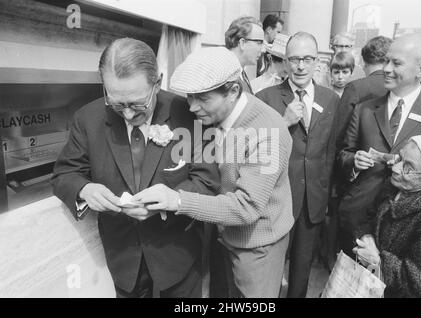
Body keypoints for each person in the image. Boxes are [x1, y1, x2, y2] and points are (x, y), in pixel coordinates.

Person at [51, 38, 220, 298]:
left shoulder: (188, 114)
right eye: (117, 104)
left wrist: (170, 201)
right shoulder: (88, 118)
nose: (128, 115)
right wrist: (85, 189)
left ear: (158, 82)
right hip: (123, 257)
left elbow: (207, 182)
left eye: (138, 105)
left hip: (178, 256)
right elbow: (64, 174)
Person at [133, 47, 294, 298]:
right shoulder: (212, 116)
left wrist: (177, 199)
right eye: (189, 96)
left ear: (233, 91)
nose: (192, 107)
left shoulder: (267, 132)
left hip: (257, 247)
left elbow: (246, 208)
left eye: (203, 99)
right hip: (223, 236)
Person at [337, 34, 421, 258]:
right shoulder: (365, 109)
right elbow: (342, 154)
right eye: (386, 60)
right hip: (357, 220)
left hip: (409, 229)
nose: (386, 69)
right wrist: (354, 162)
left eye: (396, 63)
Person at [256, 32, 340, 298]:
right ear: (285, 61)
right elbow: (255, 151)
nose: (300, 65)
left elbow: (332, 150)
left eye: (307, 59)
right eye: (294, 59)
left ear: (317, 62)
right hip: (276, 200)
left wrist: (327, 195)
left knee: (301, 273)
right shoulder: (265, 97)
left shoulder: (331, 100)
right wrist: (284, 121)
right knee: (270, 272)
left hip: (311, 202)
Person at [354, 132, 421, 298]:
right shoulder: (394, 186)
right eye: (399, 159)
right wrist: (366, 236)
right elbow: (369, 216)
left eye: (408, 168)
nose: (396, 168)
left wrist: (378, 261)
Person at [336, 36, 393, 149]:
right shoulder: (399, 87)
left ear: (364, 61)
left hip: (359, 157)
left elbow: (339, 131)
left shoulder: (355, 88)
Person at [225, 16, 265, 94]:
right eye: (259, 43)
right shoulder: (226, 75)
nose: (263, 50)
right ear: (242, 43)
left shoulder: (240, 73)